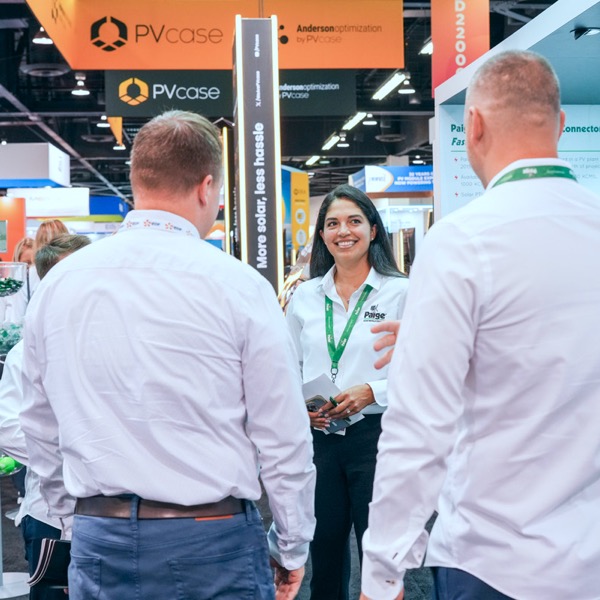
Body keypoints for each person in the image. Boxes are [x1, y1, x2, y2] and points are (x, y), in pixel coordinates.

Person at [20, 110, 316, 600]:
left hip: (98, 538)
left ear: (137, 181)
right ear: (206, 188)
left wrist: (65, 523)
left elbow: (40, 426)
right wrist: (291, 545)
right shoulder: (238, 285)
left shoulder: (60, 285)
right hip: (211, 542)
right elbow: (283, 436)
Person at [360, 49, 600, 600]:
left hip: (496, 564)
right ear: (561, 124)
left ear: (473, 126)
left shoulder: (464, 240)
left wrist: (381, 569)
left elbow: (420, 429)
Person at [286, 183, 409, 600]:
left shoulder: (402, 293)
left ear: (373, 230)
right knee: (324, 557)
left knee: (381, 560)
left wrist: (373, 391)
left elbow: (425, 372)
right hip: (319, 441)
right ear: (322, 235)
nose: (344, 231)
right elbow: (287, 368)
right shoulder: (304, 297)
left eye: (354, 221)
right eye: (333, 223)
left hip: (378, 440)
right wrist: (301, 409)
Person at [0, 234, 91, 600]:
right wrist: (71, 452)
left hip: (120, 518)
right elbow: (8, 425)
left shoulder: (112, 341)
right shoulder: (26, 351)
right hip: (52, 518)